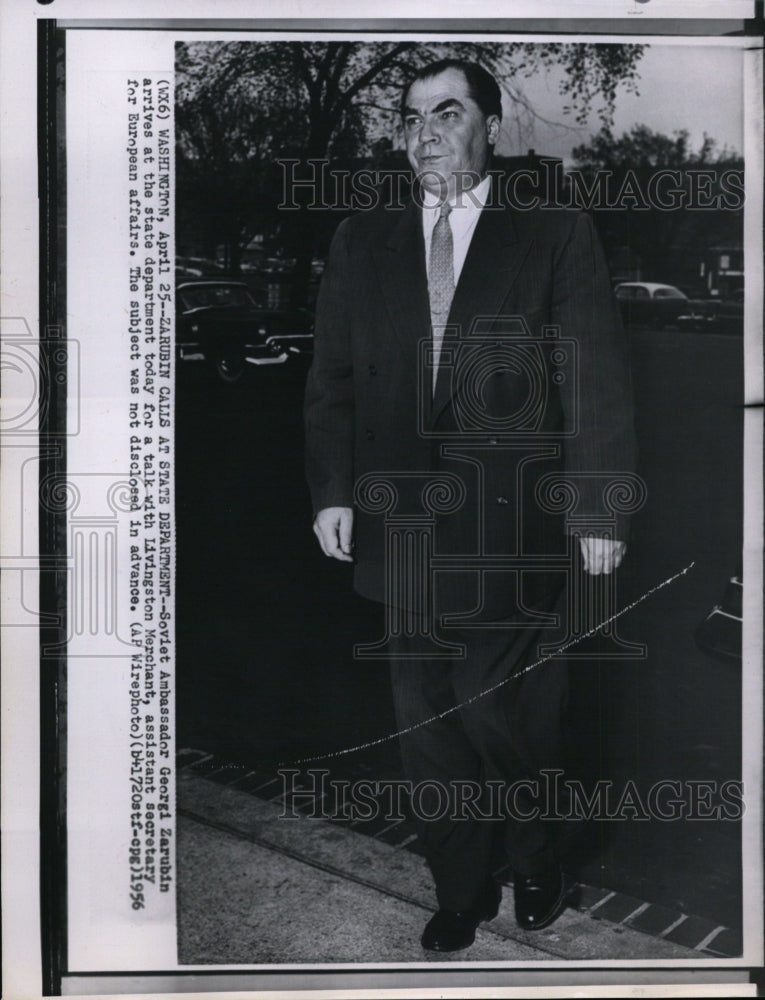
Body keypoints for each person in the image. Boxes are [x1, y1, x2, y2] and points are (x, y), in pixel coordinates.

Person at [305, 58, 636, 952]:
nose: (424, 132)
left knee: (505, 711)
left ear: (491, 126)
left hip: (512, 525)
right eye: (410, 117)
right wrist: (331, 493)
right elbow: (331, 377)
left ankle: (534, 856)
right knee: (425, 727)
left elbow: (592, 371)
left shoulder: (552, 230)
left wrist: (597, 506)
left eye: (446, 112)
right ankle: (459, 883)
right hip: (397, 526)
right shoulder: (360, 236)